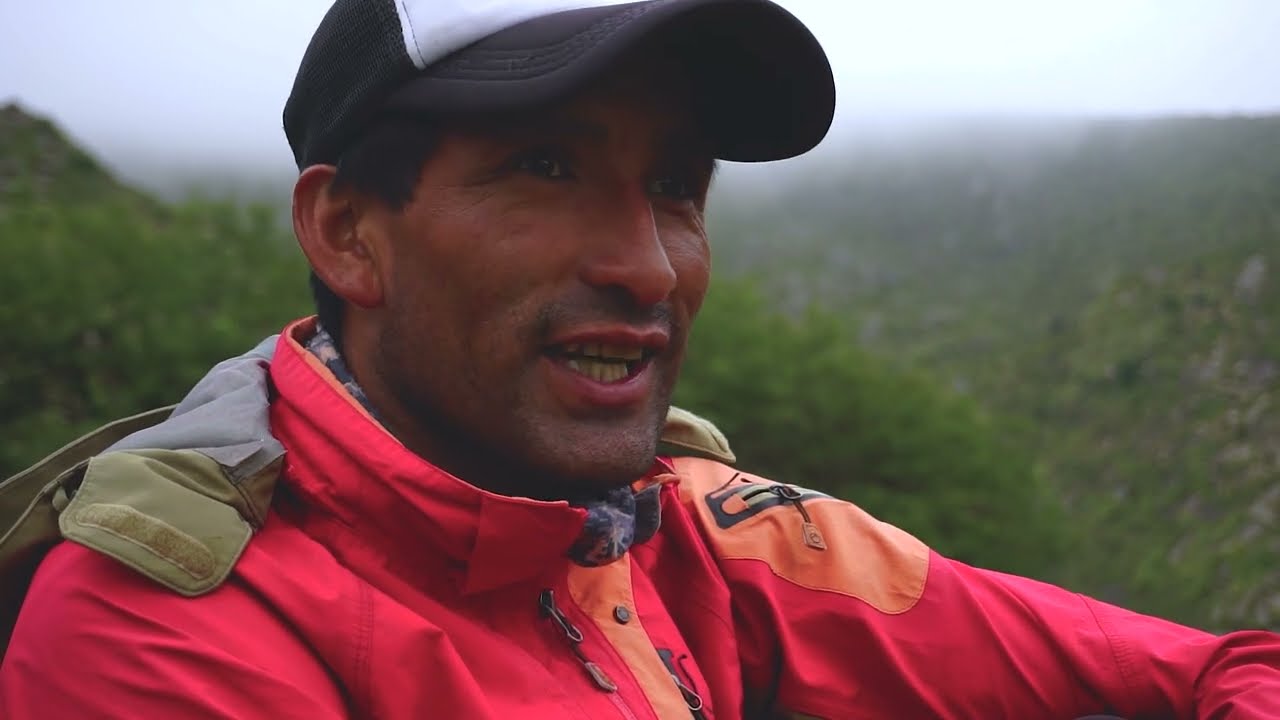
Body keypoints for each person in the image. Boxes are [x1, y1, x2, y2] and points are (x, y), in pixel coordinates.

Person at [2, 0, 1278, 717]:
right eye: (544, 167)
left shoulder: (686, 529)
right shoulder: (163, 633)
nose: (650, 266)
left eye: (673, 185)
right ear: (346, 232)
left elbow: (1218, 670)